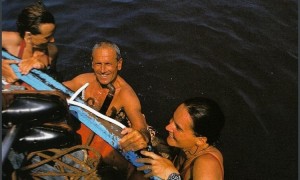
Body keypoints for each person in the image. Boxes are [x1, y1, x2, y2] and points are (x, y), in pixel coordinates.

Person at [63, 41, 151, 179]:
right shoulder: (84, 80)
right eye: (98, 64)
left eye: (108, 64)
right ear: (92, 63)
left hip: (107, 139)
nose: (103, 70)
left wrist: (142, 136)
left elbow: (141, 127)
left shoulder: (126, 95)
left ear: (119, 64)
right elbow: (55, 89)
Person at [136, 97, 225, 180]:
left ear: (200, 140)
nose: (167, 127)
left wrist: (172, 176)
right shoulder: (185, 148)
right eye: (172, 118)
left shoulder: (207, 164)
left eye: (178, 127)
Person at [2, 1, 57, 85]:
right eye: (47, 37)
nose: (53, 40)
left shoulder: (52, 51)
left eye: (52, 34)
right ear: (29, 36)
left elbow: (54, 77)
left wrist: (42, 66)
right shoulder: (11, 40)